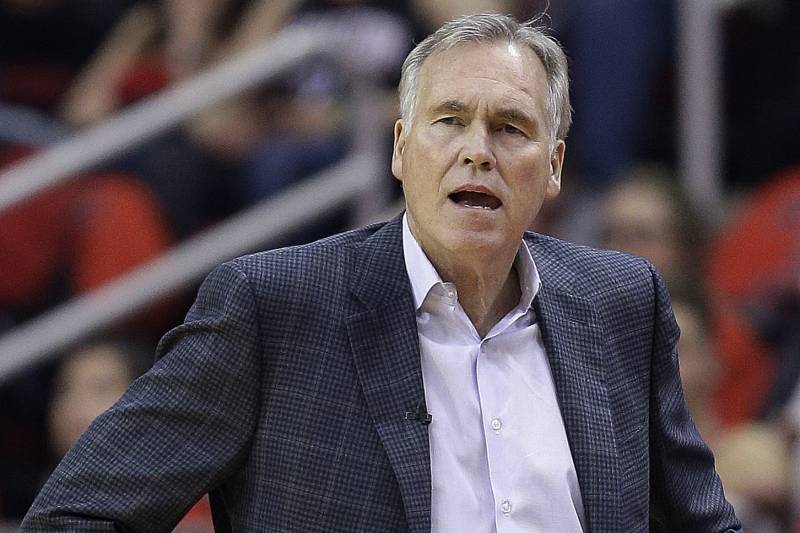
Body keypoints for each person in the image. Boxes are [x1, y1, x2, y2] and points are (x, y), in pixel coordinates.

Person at [21, 13, 741, 532]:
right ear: (399, 150)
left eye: (511, 127)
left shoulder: (623, 302)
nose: (478, 151)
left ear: (553, 167)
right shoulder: (273, 307)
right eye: (448, 120)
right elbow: (78, 515)